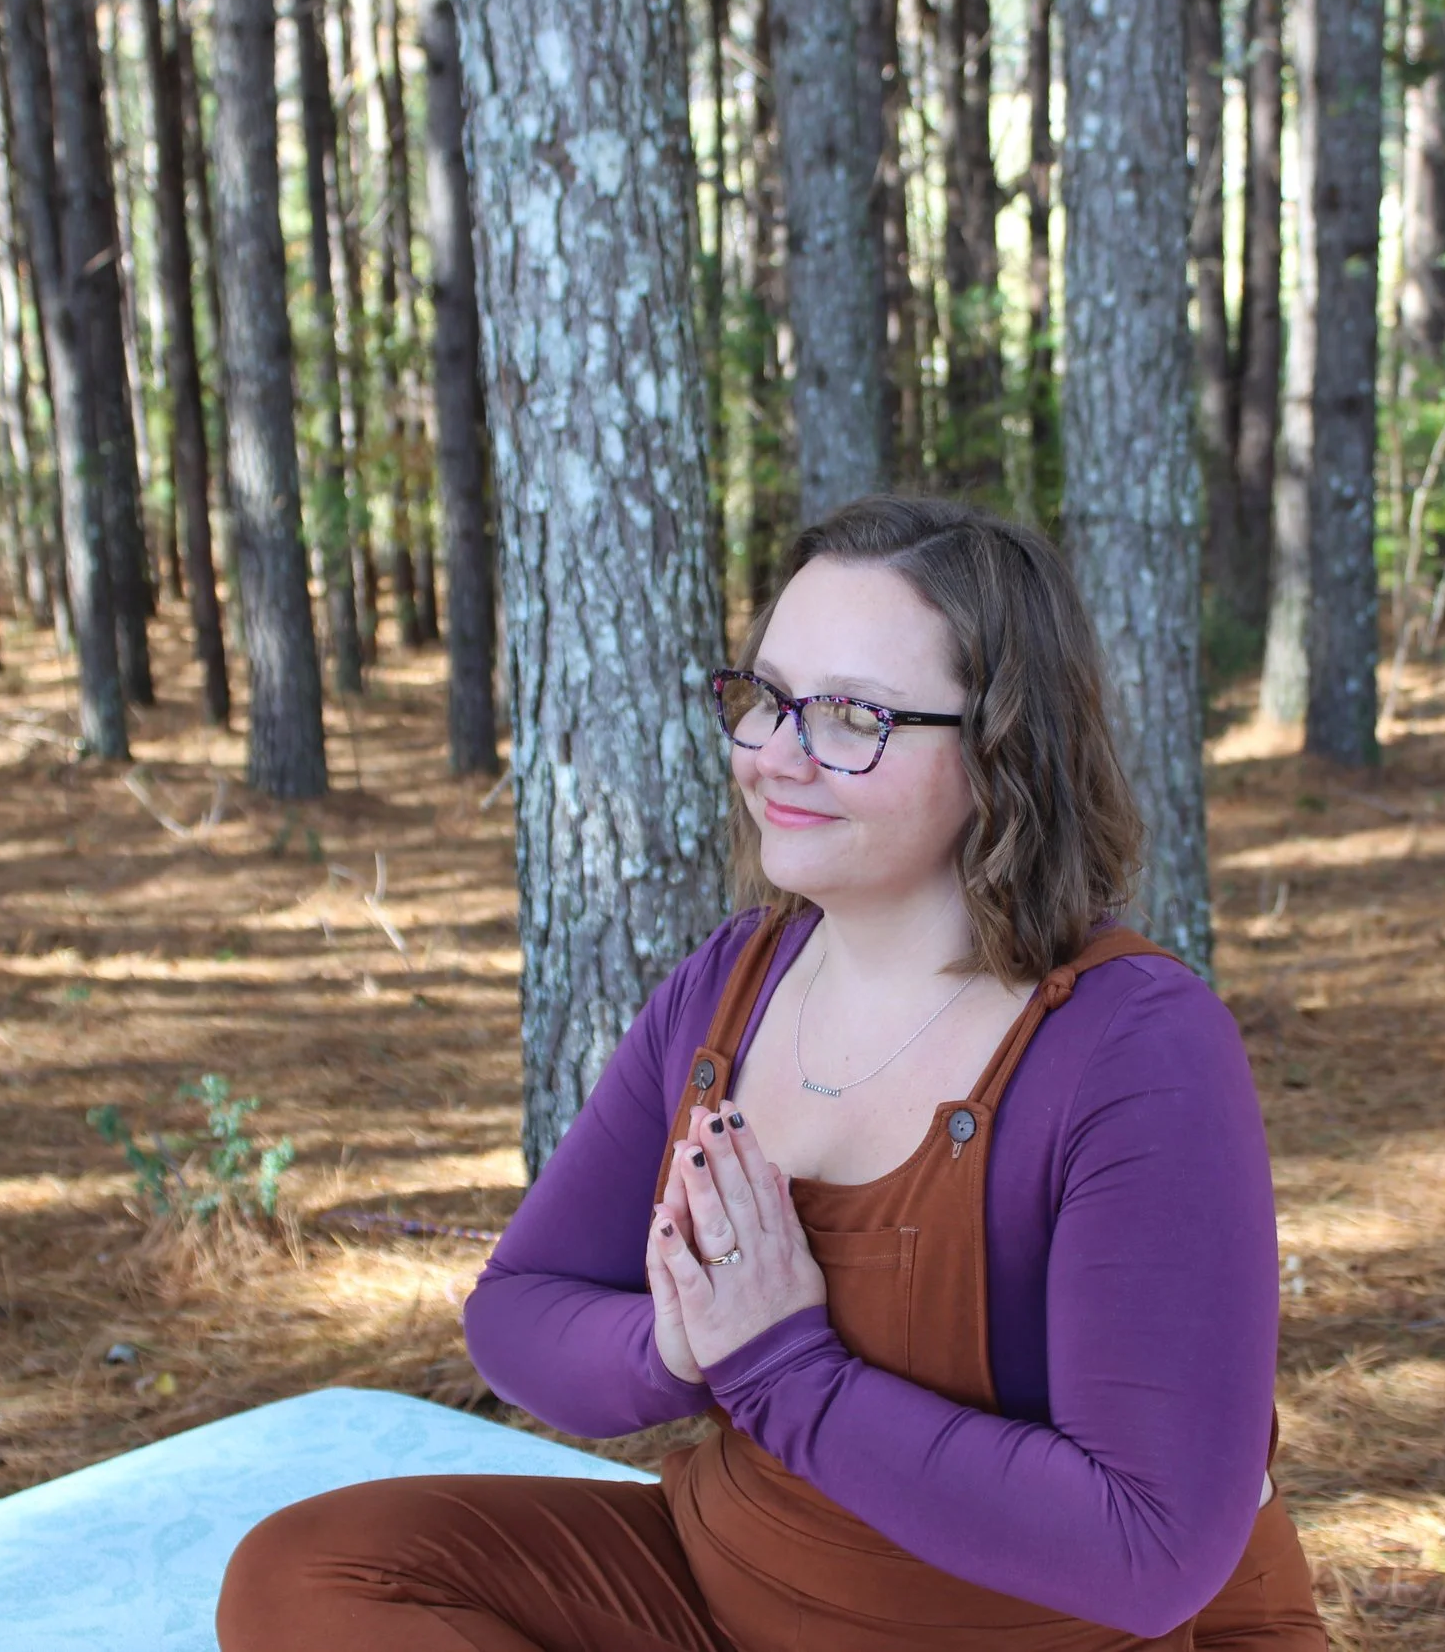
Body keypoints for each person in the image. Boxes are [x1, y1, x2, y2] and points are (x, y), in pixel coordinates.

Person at [216, 496, 1327, 1651]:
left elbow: (1148, 1553)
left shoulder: (1132, 1045)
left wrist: (786, 1370)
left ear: (1005, 746)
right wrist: (676, 1348)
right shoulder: (729, 987)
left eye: (852, 716)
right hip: (729, 1586)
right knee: (314, 1573)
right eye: (766, 698)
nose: (775, 755)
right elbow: (516, 1309)